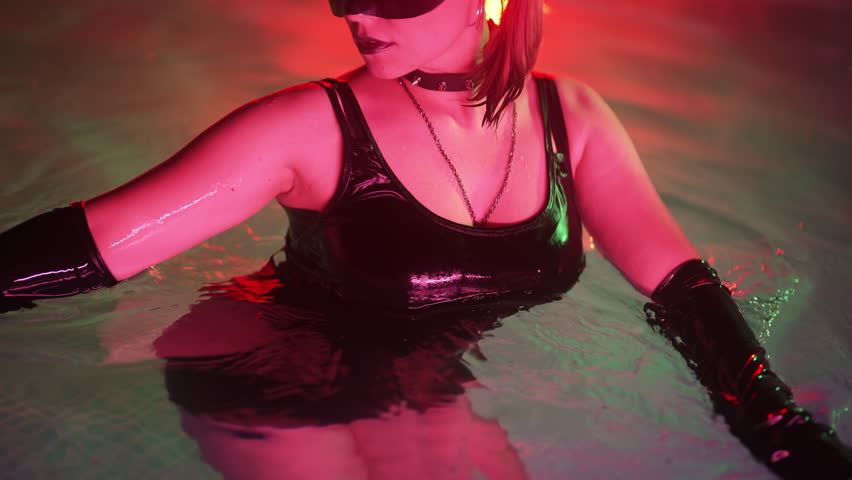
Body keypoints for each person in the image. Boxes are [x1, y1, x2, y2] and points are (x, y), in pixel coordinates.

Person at [1, 0, 850, 477]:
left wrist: (779, 429)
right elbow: (93, 245)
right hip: (262, 371)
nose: (358, 11)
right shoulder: (307, 127)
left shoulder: (573, 120)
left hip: (420, 380)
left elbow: (681, 287)